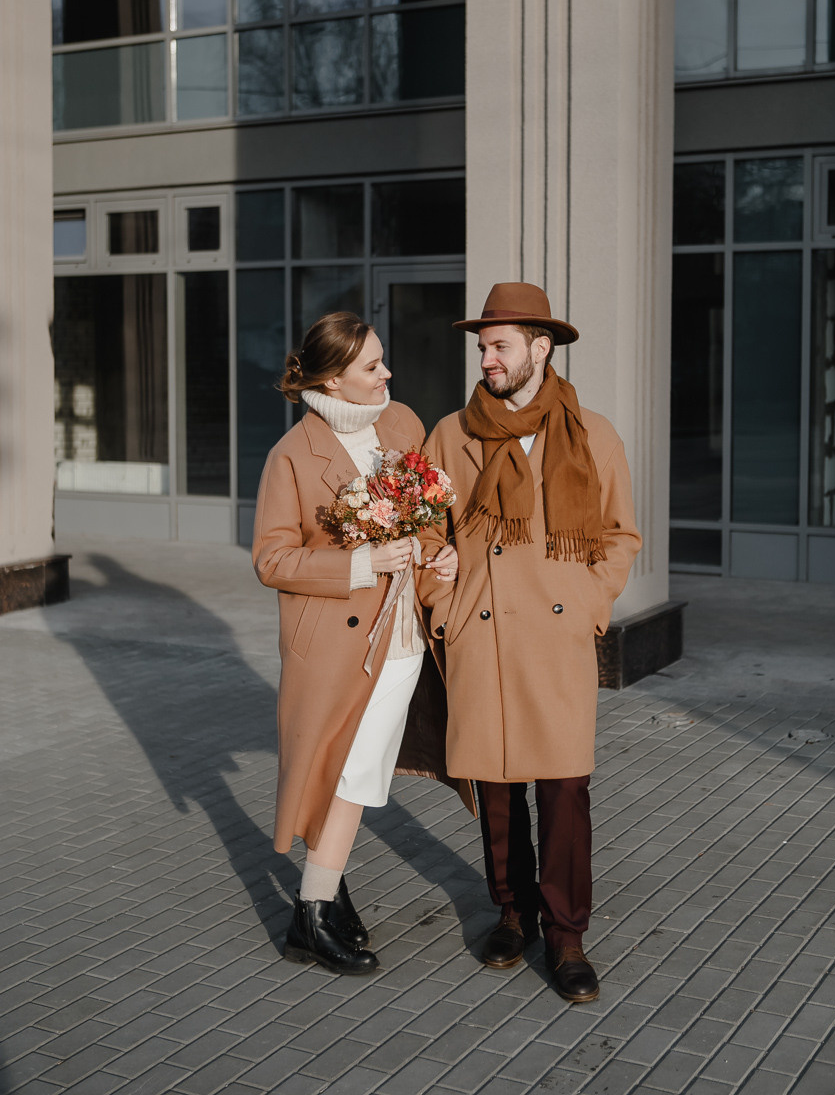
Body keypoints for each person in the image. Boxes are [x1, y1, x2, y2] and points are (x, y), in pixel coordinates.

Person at [417, 283, 642, 1003]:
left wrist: (586, 606)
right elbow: (425, 533)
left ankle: (567, 932)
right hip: (480, 634)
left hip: (555, 637)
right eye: (481, 346)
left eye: (499, 345)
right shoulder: (451, 434)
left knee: (565, 788)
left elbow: (618, 535)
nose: (486, 359)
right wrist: (443, 602)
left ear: (539, 348)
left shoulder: (591, 434)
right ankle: (511, 911)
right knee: (497, 784)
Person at [253, 311, 468, 976]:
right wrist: (358, 565)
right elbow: (271, 560)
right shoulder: (291, 455)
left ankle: (319, 898)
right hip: (334, 642)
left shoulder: (400, 422)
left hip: (401, 636)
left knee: (359, 768)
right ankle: (313, 912)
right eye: (371, 366)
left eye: (383, 360)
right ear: (332, 380)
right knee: (348, 770)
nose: (387, 373)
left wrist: (436, 557)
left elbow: (426, 516)